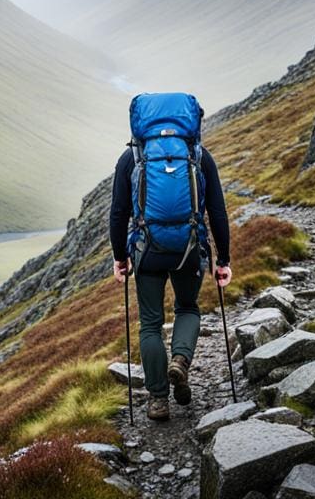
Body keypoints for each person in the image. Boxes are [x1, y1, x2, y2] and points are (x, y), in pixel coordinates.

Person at [109, 139, 232, 421]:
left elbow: (118, 213)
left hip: (147, 251)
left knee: (150, 324)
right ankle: (180, 360)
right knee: (187, 307)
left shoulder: (133, 156)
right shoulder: (199, 155)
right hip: (189, 249)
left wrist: (120, 257)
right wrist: (222, 260)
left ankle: (158, 400)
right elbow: (217, 211)